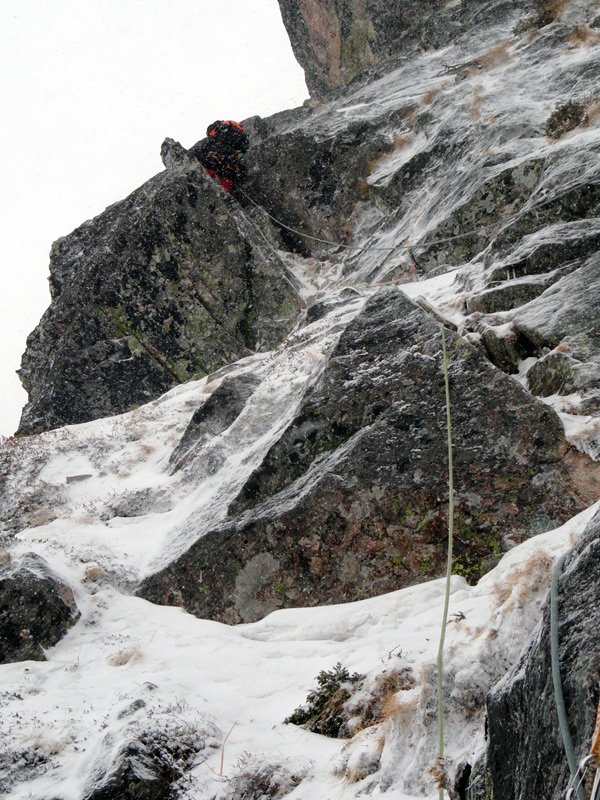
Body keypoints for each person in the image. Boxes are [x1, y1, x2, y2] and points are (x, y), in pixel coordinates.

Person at [188, 120, 250, 194]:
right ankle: (225, 190)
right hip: (233, 153)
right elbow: (245, 147)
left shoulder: (220, 130)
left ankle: (210, 183)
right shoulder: (235, 129)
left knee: (212, 161)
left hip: (221, 150)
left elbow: (199, 150)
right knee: (228, 170)